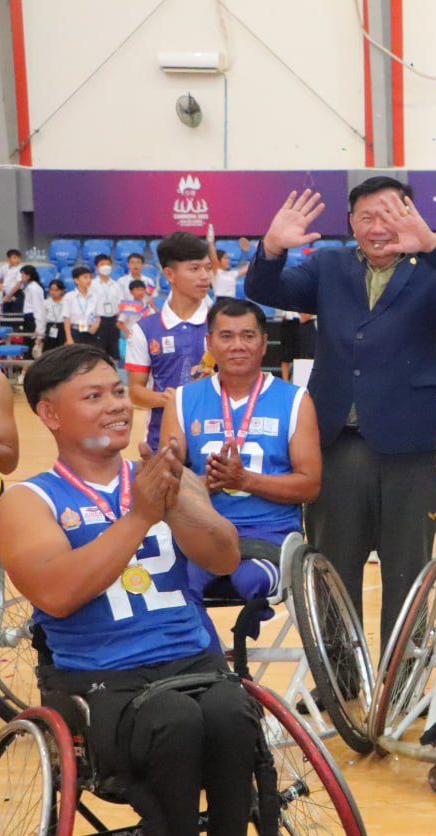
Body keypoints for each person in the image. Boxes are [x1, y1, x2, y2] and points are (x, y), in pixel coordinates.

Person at [0, 344, 254, 836]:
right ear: (49, 414)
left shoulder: (168, 478)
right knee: (175, 722)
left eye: (118, 391)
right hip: (103, 682)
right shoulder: (27, 500)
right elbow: (57, 594)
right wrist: (139, 517)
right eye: (93, 396)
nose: (116, 404)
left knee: (232, 712)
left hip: (193, 663)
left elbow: (225, 557)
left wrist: (175, 505)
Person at [245, 177, 436, 647]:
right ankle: (340, 676)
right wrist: (273, 248)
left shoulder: (433, 267)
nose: (377, 227)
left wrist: (432, 244)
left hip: (413, 443)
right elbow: (266, 288)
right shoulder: (329, 266)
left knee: (408, 568)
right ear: (350, 223)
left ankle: (400, 675)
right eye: (366, 217)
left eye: (389, 215)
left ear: (411, 216)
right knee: (333, 567)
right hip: (337, 440)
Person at [161, 298, 322, 645]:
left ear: (264, 343)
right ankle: (215, 664)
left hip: (269, 534)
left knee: (251, 580)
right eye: (227, 336)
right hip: (202, 532)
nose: (238, 345)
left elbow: (310, 486)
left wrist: (244, 480)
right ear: (209, 343)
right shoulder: (182, 400)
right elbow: (166, 484)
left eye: (248, 336)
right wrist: (209, 483)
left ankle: (221, 660)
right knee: (177, 586)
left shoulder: (296, 400)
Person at [125, 231, 214, 452]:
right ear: (170, 274)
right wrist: (165, 399)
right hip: (161, 443)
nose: (205, 276)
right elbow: (135, 391)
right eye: (195, 268)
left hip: (214, 441)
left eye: (208, 268)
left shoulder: (221, 324)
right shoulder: (145, 329)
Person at [89, 252, 124, 359]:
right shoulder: (91, 285)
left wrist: (120, 320)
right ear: (96, 266)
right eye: (102, 264)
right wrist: (92, 322)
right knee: (99, 351)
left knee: (114, 349)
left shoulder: (116, 285)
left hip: (113, 320)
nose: (105, 267)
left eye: (108, 264)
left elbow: (121, 303)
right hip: (98, 320)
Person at [64, 265, 102, 349]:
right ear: (76, 280)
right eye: (85, 277)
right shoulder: (69, 297)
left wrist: (96, 325)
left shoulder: (95, 297)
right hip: (76, 331)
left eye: (90, 278)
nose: (89, 280)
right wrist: (69, 338)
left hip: (91, 331)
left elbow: (98, 315)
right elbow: (66, 319)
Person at [40, 279, 67, 353]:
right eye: (51, 290)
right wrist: (40, 335)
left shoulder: (66, 302)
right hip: (50, 327)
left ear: (62, 291)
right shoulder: (46, 303)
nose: (53, 292)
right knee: (49, 351)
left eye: (56, 290)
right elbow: (42, 319)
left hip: (62, 327)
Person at [18, 264, 45, 337]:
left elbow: (38, 308)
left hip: (32, 318)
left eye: (22, 274)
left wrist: (39, 327)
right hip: (28, 317)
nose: (21, 277)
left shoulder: (34, 288)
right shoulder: (29, 288)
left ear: (28, 276)